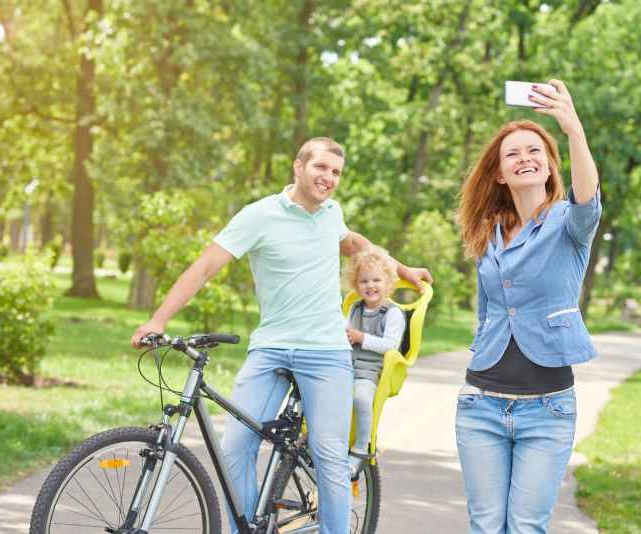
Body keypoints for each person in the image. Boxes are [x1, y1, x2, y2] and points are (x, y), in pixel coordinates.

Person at [130, 137, 432, 534]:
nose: (328, 178)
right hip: (270, 349)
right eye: (321, 168)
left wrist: (403, 268)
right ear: (298, 166)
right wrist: (158, 320)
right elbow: (206, 267)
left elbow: (354, 243)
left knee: (329, 457)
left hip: (326, 351)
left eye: (336, 172)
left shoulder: (331, 213)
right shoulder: (259, 216)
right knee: (235, 448)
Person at [454, 80, 601, 534]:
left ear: (550, 168)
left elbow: (587, 195)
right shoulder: (489, 231)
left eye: (534, 151)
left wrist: (572, 128)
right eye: (513, 154)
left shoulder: (569, 223)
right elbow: (489, 310)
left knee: (524, 526)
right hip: (481, 403)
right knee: (485, 525)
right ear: (499, 173)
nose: (525, 159)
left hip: (547, 409)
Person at [341, 246, 406, 477]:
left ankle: (361, 446)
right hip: (348, 365)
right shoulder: (355, 308)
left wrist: (361, 338)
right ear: (356, 285)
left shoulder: (392, 313)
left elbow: (390, 345)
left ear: (388, 282)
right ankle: (333, 444)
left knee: (361, 397)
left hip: (371, 369)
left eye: (376, 279)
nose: (370, 285)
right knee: (330, 396)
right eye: (364, 281)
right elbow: (344, 333)